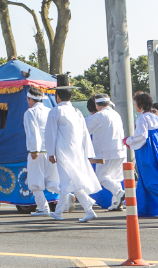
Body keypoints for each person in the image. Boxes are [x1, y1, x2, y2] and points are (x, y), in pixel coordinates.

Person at [45, 74, 102, 223]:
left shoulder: (55, 111)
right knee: (68, 181)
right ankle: (62, 212)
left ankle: (86, 207)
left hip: (63, 151)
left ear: (57, 96)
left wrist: (50, 153)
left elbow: (50, 134)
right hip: (77, 151)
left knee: (68, 180)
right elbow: (85, 133)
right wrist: (87, 152)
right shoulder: (77, 111)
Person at [85, 94, 127, 210]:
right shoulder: (116, 114)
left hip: (106, 152)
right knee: (115, 177)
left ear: (96, 105)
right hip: (121, 150)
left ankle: (118, 192)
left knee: (101, 177)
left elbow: (84, 128)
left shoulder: (100, 116)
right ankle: (117, 202)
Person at [23, 86, 59, 216]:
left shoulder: (30, 112)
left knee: (35, 182)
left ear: (30, 99)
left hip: (37, 152)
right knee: (53, 181)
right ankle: (68, 195)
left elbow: (33, 132)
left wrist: (34, 150)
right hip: (50, 151)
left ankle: (43, 209)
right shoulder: (50, 111)